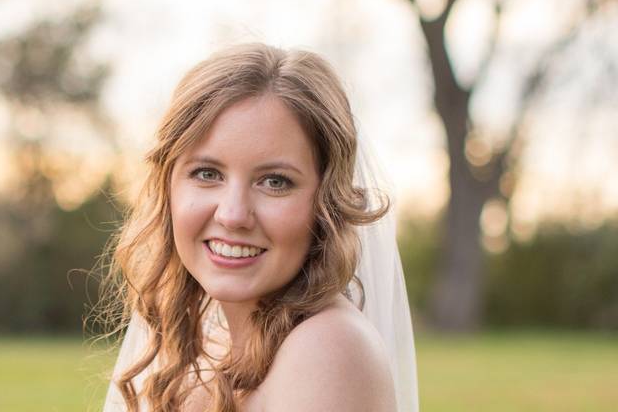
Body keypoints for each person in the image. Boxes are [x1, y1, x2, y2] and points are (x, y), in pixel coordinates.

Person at [100, 43, 418, 411]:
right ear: (168, 187)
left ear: (327, 203)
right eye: (207, 174)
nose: (233, 214)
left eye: (275, 182)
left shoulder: (328, 349)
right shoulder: (213, 351)